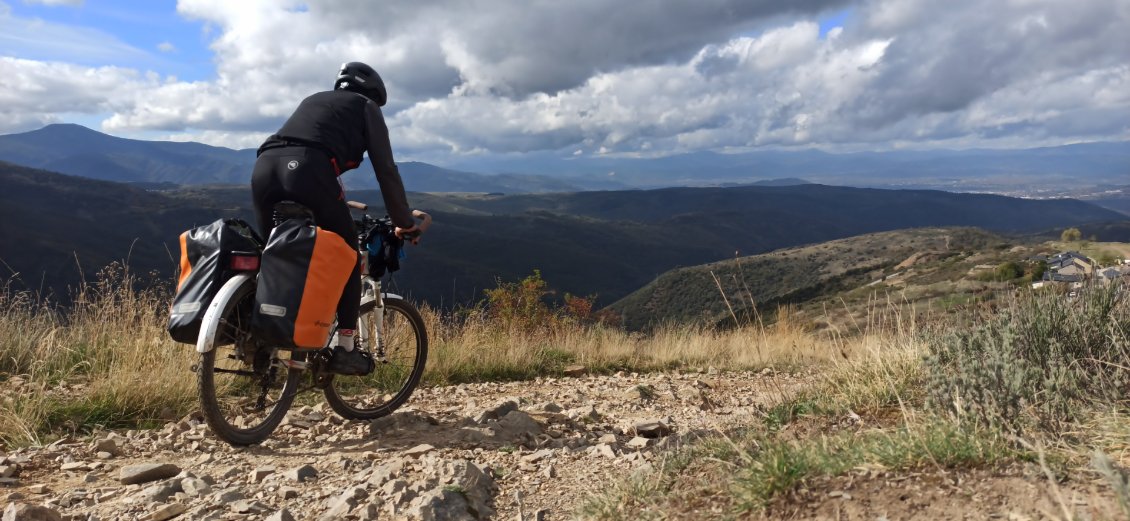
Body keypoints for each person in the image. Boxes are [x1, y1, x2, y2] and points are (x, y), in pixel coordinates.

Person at [251, 61, 418, 375]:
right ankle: (346, 348)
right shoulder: (366, 107)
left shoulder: (314, 100)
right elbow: (386, 170)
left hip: (264, 167)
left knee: (270, 253)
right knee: (348, 258)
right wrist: (404, 220)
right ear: (374, 93)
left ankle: (260, 339)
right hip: (307, 170)